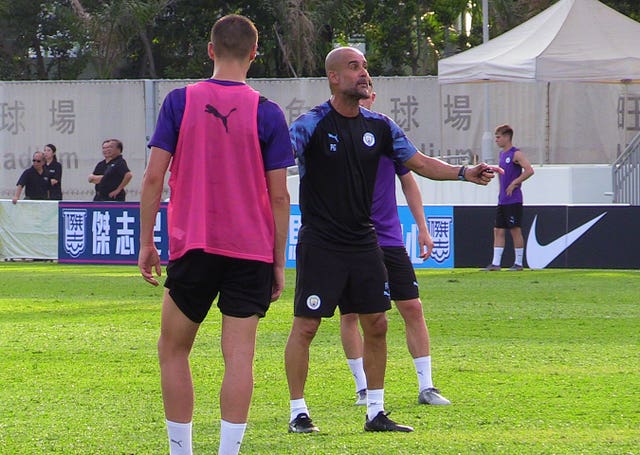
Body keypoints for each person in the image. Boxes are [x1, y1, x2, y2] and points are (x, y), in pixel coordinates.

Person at [285, 46, 500, 435]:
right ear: (334, 77)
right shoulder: (311, 124)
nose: (364, 74)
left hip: (364, 241)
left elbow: (420, 163)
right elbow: (272, 159)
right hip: (321, 243)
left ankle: (375, 412)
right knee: (307, 327)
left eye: (365, 67)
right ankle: (298, 412)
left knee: (378, 323)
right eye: (354, 67)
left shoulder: (381, 126)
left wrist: (465, 172)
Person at [137, 14, 293, 455]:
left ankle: (180, 450)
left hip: (195, 245)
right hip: (251, 252)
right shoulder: (268, 111)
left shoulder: (179, 101)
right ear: (253, 54)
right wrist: (278, 262)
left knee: (173, 349)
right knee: (239, 356)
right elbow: (280, 198)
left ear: (210, 50)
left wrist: (148, 242)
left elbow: (153, 178)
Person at [340, 78, 450, 408]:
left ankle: (426, 386)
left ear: (372, 97)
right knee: (352, 316)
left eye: (369, 95)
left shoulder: (388, 136)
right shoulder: (335, 135)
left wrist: (422, 228)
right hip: (352, 241)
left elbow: (410, 183)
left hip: (388, 239)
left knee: (412, 308)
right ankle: (362, 387)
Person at [483, 124, 534, 271]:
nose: (496, 140)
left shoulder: (515, 154)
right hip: (503, 199)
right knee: (498, 230)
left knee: (514, 230)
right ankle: (496, 263)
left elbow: (529, 170)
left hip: (513, 199)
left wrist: (515, 182)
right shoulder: (502, 155)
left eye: (498, 137)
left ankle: (518, 263)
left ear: (506, 137)